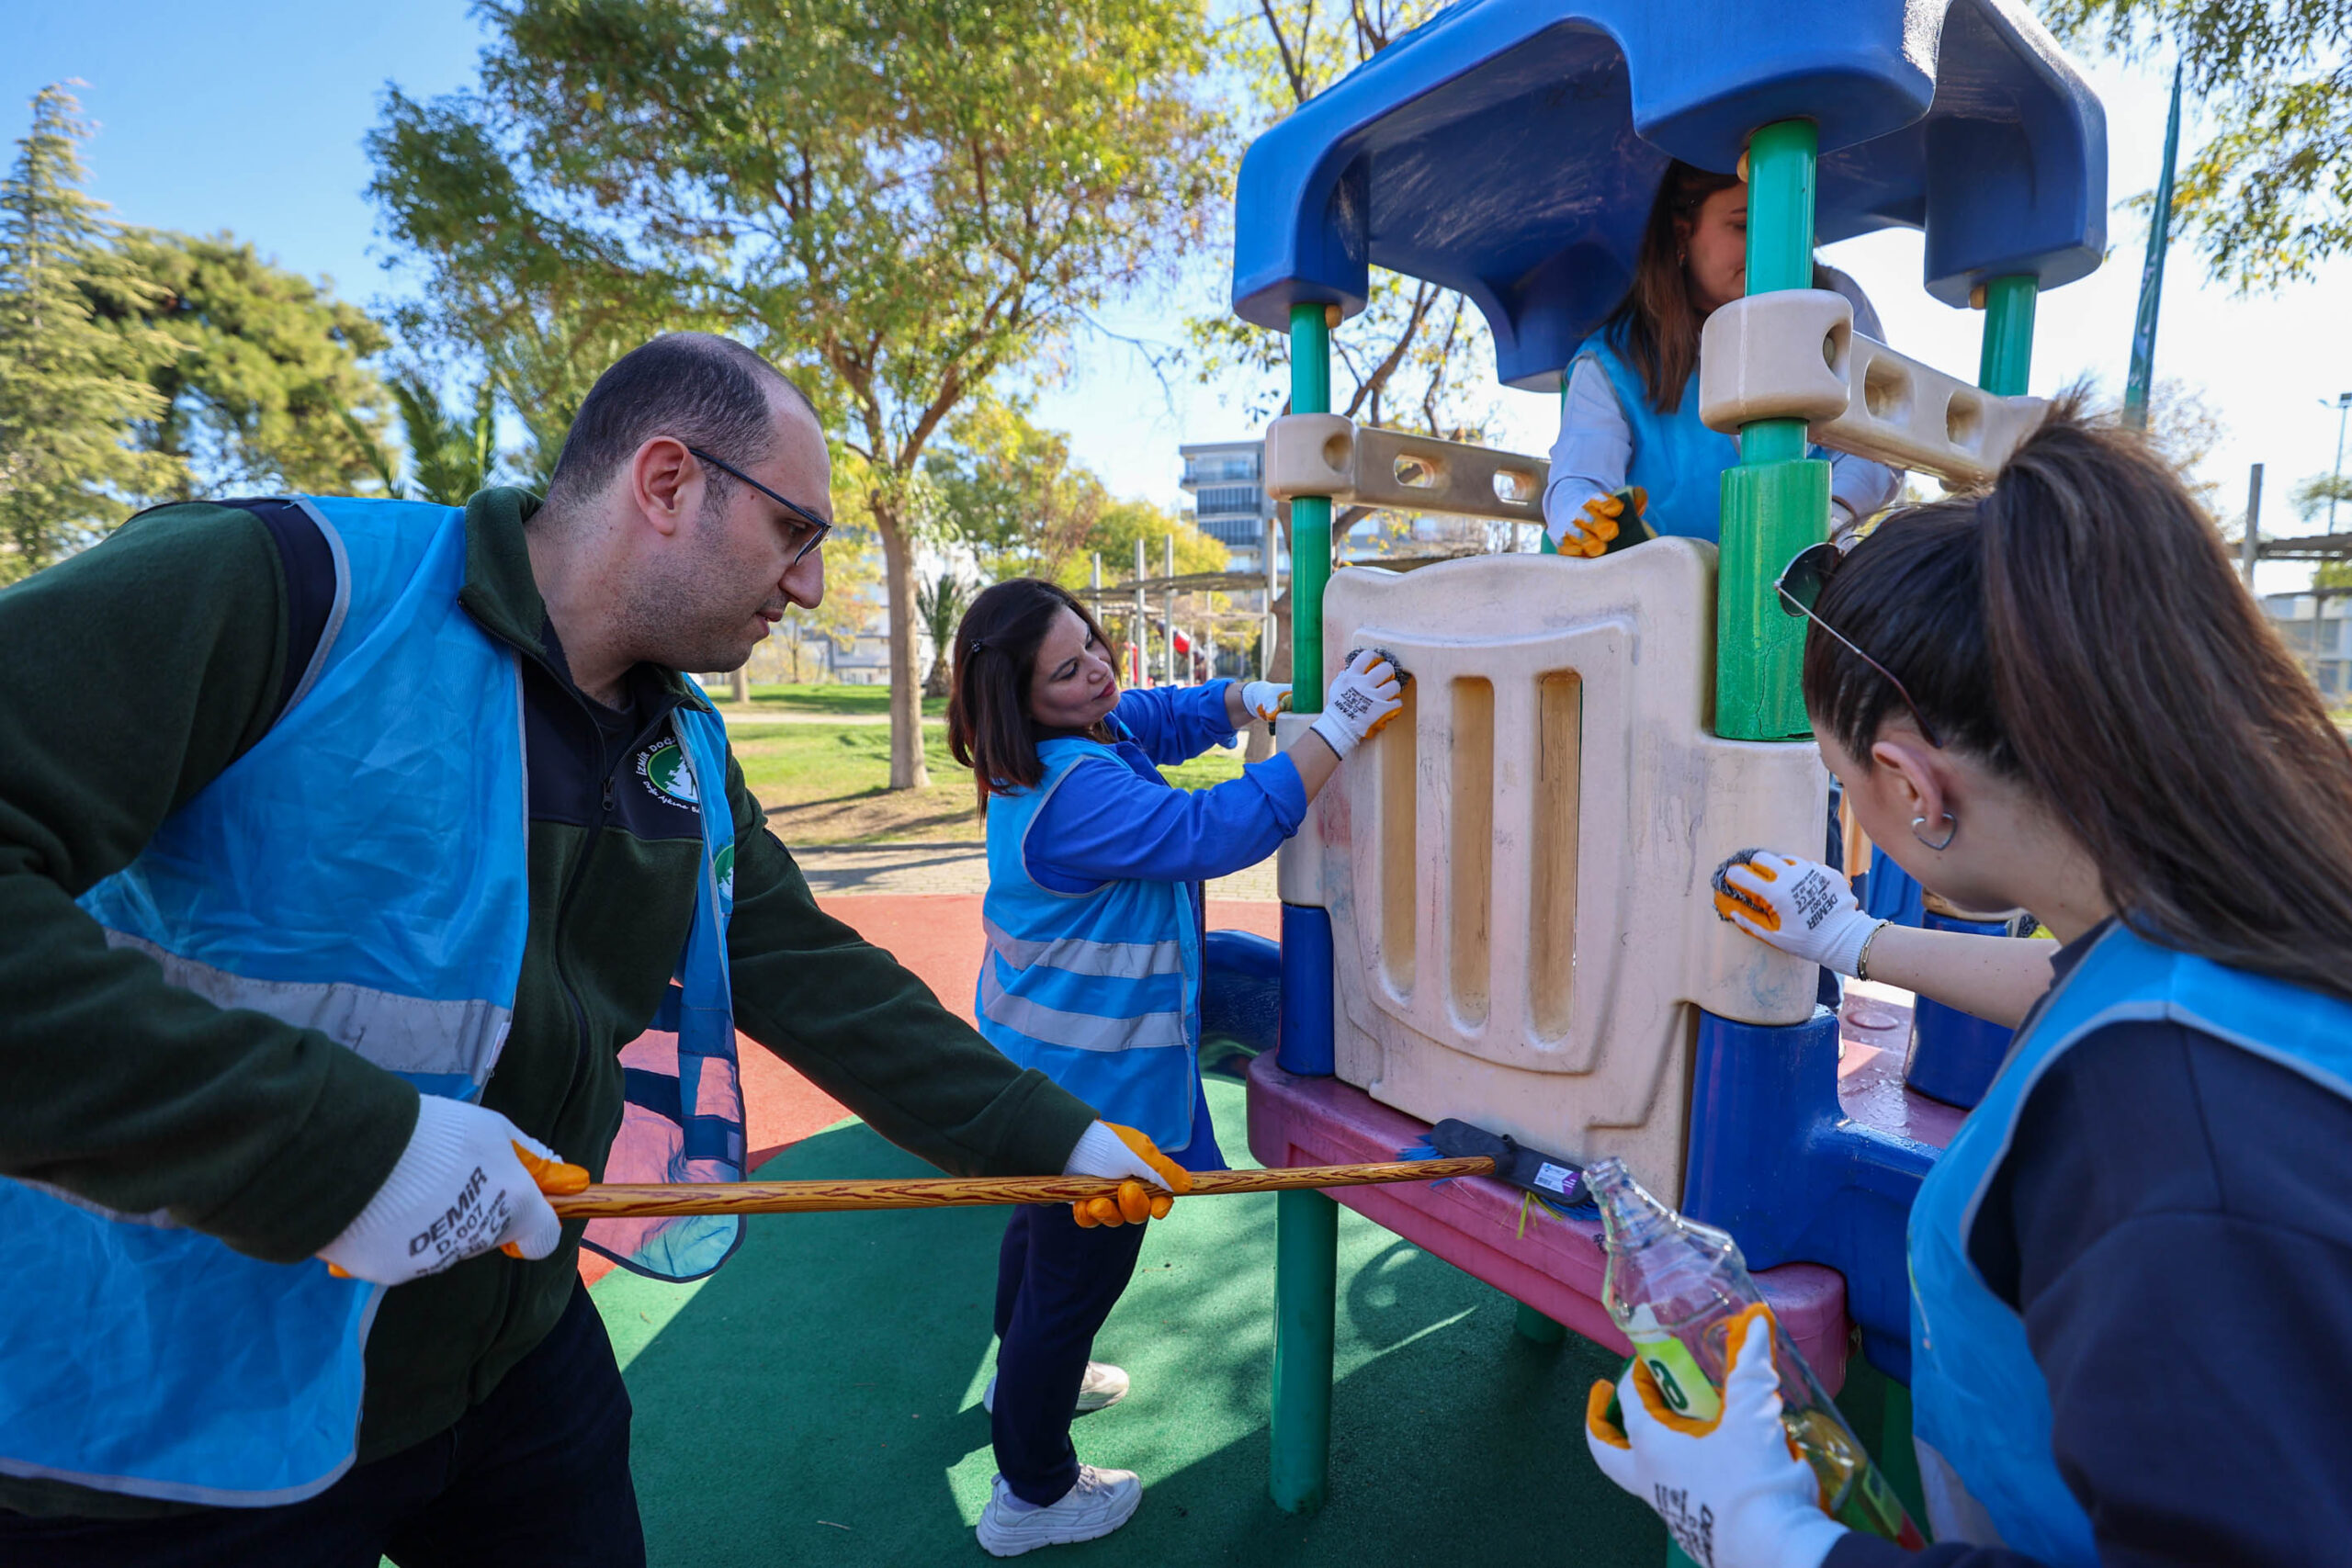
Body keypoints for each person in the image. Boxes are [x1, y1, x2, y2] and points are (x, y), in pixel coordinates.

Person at [0, 333, 1190, 1566]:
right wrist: (340, 1146)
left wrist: (1052, 1132)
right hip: (163, 1409)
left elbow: (799, 963)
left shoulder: (688, 740)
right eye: (795, 534)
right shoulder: (284, 584)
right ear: (667, 481)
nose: (812, 589)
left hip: (510, 1354)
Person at [1585, 395, 2352, 1567]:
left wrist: (1771, 1539)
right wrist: (1852, 940)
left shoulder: (2168, 1142)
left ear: (1914, 786)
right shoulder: (2234, 916)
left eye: (1847, 788)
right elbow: (2083, 988)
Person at [944, 579, 1402, 1555]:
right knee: (1077, 1270)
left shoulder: (1077, 738)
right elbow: (1222, 831)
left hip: (1042, 1049)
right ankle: (1030, 1493)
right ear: (1019, 700)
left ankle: (1023, 1373)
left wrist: (1243, 699)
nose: (1098, 670)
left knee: (1039, 1239)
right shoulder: (1074, 794)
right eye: (1067, 670)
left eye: (1094, 644)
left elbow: (1154, 711)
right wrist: (1341, 728)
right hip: (1090, 1077)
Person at [1544, 159, 1902, 556]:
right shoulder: (1611, 362)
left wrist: (1822, 521)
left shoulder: (1833, 301)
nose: (1773, 247)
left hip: (1805, 587)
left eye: (1787, 225)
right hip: (1664, 602)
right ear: (1682, 235)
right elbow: (1577, 484)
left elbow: (1880, 447)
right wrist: (1589, 520)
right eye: (1745, 226)